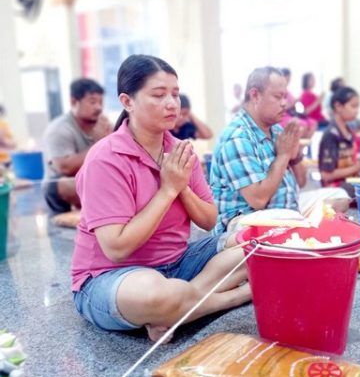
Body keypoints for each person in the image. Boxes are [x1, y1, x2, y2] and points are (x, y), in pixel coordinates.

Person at [71, 54, 250, 342]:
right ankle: (234, 297)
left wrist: (181, 186)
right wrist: (167, 190)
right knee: (156, 293)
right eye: (159, 94)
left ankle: (175, 310)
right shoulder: (105, 159)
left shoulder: (179, 150)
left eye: (175, 94)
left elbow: (208, 220)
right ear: (127, 102)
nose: (172, 103)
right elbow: (116, 248)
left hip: (177, 263)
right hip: (114, 277)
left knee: (254, 249)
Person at [211, 66, 307, 237]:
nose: (285, 103)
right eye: (278, 97)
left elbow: (301, 182)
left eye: (285, 96)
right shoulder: (237, 137)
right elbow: (258, 200)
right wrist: (283, 155)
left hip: (284, 212)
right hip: (245, 223)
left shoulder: (276, 130)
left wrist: (295, 153)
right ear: (255, 95)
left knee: (337, 197)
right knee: (299, 222)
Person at [42, 78, 112, 213]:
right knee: (65, 184)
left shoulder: (103, 125)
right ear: (74, 102)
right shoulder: (59, 129)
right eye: (92, 102)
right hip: (63, 184)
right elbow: (65, 167)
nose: (98, 107)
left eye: (100, 102)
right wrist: (100, 144)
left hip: (94, 179)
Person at [319, 86, 360, 196]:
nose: (356, 111)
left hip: (351, 181)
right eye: (353, 106)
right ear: (338, 106)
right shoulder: (331, 135)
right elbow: (326, 175)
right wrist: (359, 167)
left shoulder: (349, 132)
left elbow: (352, 163)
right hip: (335, 188)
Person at [279, 68, 317, 139]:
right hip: (284, 116)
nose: (288, 81)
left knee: (313, 123)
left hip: (292, 114)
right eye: (287, 79)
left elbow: (293, 107)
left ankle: (302, 146)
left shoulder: (288, 91)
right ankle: (298, 147)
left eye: (289, 79)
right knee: (303, 125)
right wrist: (294, 102)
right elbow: (284, 107)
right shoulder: (280, 91)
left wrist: (295, 102)